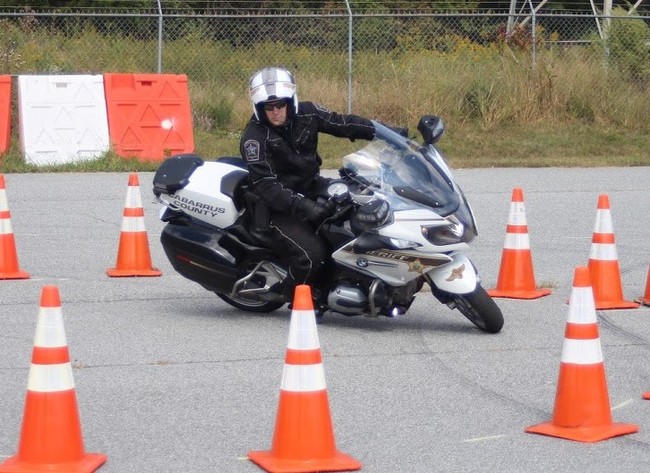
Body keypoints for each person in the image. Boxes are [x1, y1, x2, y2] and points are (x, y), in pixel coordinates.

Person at [239, 66, 377, 301]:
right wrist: (303, 206)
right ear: (259, 108)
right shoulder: (254, 138)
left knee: (360, 208)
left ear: (290, 102)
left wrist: (387, 133)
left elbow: (342, 123)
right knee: (312, 254)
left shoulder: (308, 113)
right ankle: (289, 295)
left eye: (280, 105)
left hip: (311, 187)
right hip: (274, 207)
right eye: (269, 107)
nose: (276, 112)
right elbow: (266, 185)